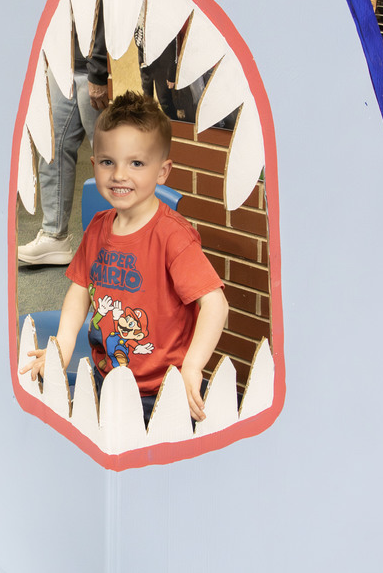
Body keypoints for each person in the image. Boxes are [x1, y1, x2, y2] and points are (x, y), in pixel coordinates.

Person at [21, 91, 228, 423]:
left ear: (162, 171)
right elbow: (79, 290)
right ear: (95, 165)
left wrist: (192, 365)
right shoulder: (98, 229)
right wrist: (63, 343)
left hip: (163, 391)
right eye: (108, 162)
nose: (119, 174)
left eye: (136, 163)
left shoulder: (173, 235)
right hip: (110, 379)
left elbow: (215, 304)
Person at [18, 12, 109, 266]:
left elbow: (101, 7)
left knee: (109, 157)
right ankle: (54, 235)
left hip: (97, 67)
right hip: (63, 63)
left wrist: (98, 69)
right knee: (52, 149)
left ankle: (123, 241)